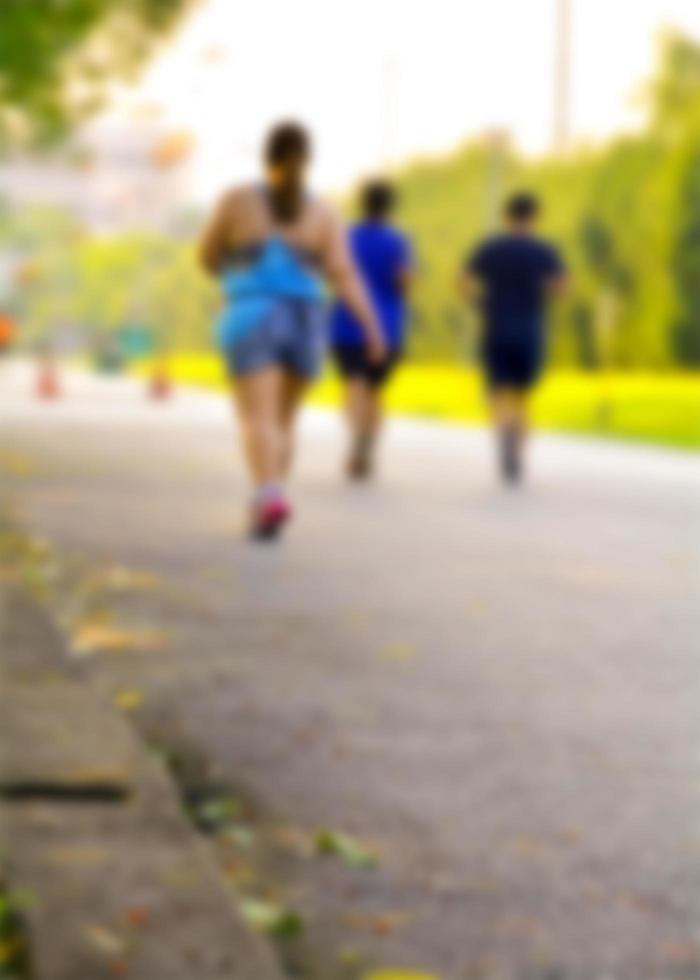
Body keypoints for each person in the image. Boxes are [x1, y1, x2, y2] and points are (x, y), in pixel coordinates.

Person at [199, 122, 386, 539]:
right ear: (308, 159)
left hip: (253, 315)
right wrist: (372, 328)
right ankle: (273, 495)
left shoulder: (237, 199)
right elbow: (344, 273)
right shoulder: (324, 212)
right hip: (306, 321)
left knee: (257, 420)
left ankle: (267, 496)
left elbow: (207, 256)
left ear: (266, 156)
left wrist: (234, 269)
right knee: (284, 423)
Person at [461, 192, 567, 483]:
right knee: (522, 395)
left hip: (495, 325)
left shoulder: (491, 248)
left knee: (497, 391)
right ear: (534, 217)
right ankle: (517, 449)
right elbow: (561, 287)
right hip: (529, 327)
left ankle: (503, 435)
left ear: (507, 216)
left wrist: (477, 302)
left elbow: (462, 279)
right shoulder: (544, 250)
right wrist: (544, 290)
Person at [329, 180, 413, 479]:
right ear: (390, 206)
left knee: (354, 383)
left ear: (362, 203)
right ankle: (368, 443)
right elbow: (404, 281)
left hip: (346, 322)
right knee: (376, 390)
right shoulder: (398, 240)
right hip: (388, 324)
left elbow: (333, 273)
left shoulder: (346, 237)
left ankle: (355, 439)